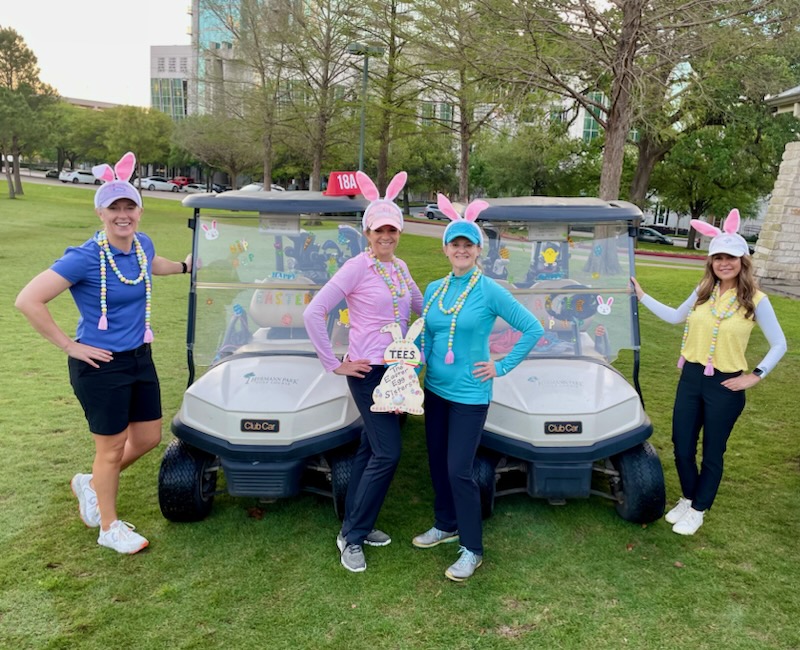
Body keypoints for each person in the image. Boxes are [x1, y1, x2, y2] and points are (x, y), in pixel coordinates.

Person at [15, 152, 191, 554]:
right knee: (110, 449)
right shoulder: (85, 256)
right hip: (100, 366)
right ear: (101, 212)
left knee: (147, 437)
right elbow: (28, 300)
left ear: (140, 211)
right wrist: (70, 345)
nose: (123, 214)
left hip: (138, 358)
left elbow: (152, 264)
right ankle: (109, 527)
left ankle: (90, 483)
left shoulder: (142, 244)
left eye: (129, 206)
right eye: (115, 207)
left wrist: (184, 266)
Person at [631, 209, 786, 536]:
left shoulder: (755, 299)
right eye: (718, 258)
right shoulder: (704, 291)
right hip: (691, 378)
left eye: (730, 257)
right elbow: (676, 317)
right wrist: (642, 296)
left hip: (725, 385)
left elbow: (779, 344)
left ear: (743, 260)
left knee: (713, 450)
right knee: (682, 444)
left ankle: (700, 508)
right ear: (711, 262)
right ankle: (688, 497)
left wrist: (753, 375)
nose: (723, 263)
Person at [414, 195, 544, 581]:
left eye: (468, 245)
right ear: (446, 249)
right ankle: (445, 523)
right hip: (435, 390)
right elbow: (427, 338)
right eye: (455, 244)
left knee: (459, 469)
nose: (461, 250)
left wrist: (500, 365)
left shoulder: (489, 290)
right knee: (438, 463)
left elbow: (532, 327)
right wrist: (411, 366)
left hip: (470, 394)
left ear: (478, 251)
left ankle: (472, 548)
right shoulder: (435, 289)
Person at [303, 170, 423, 573]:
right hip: (369, 374)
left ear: (398, 232)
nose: (385, 236)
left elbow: (421, 306)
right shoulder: (356, 267)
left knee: (371, 450)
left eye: (391, 230)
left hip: (399, 374)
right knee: (388, 452)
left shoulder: (400, 267)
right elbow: (314, 311)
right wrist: (335, 363)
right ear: (367, 232)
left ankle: (359, 524)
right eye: (378, 230)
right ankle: (351, 537)